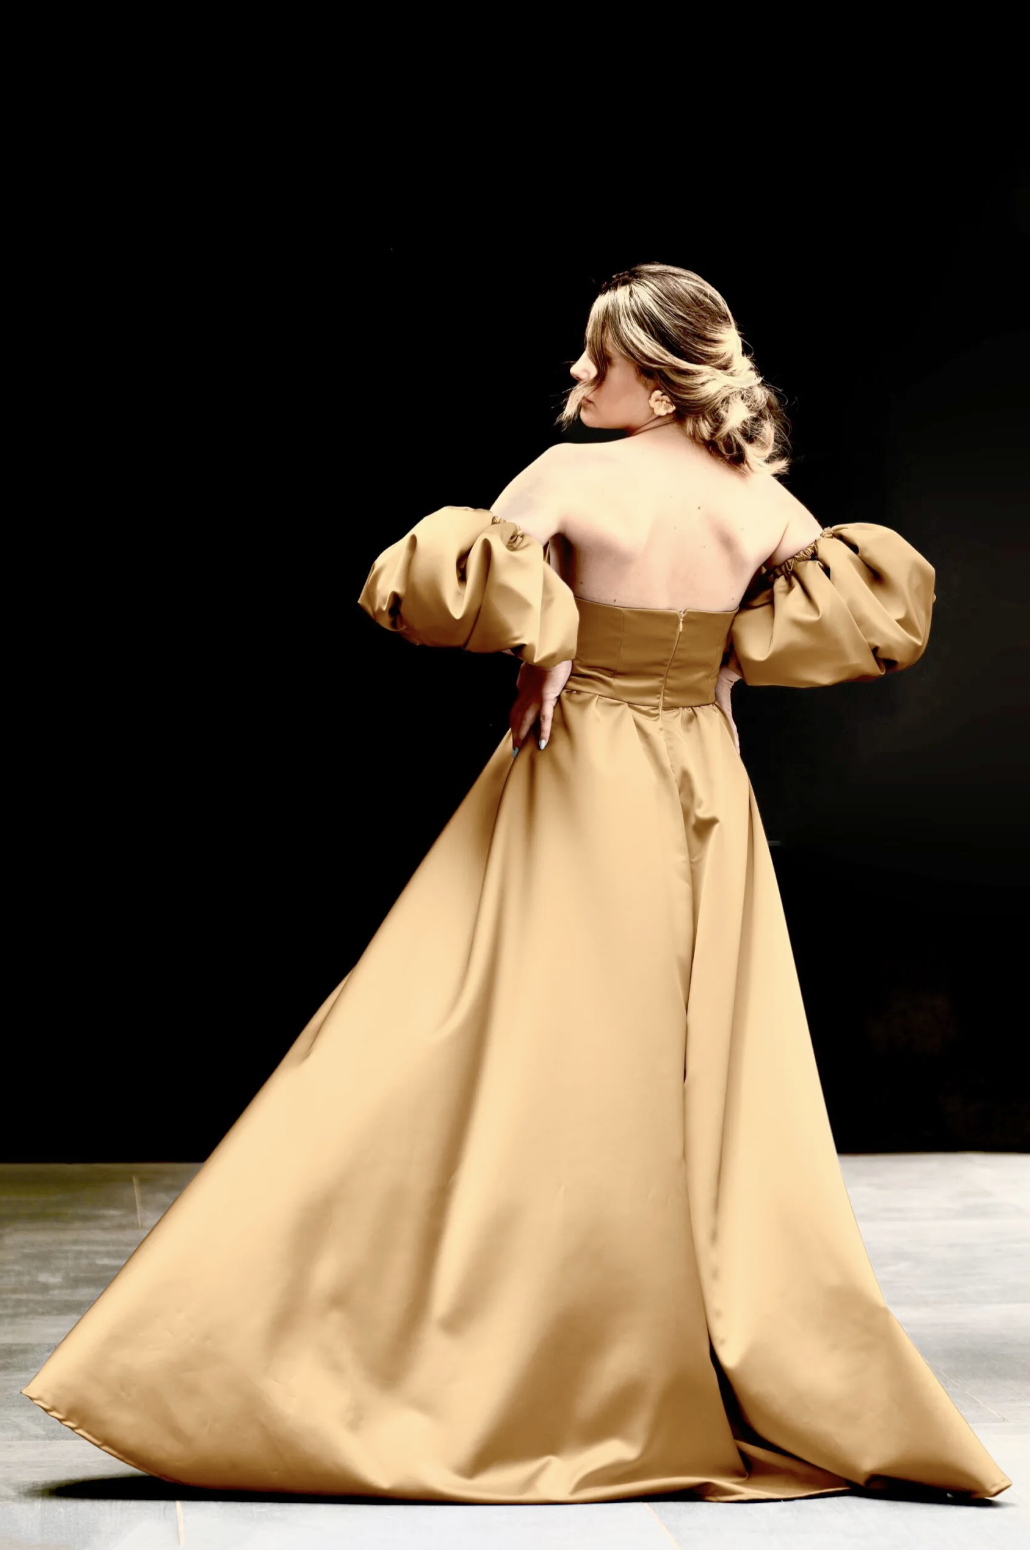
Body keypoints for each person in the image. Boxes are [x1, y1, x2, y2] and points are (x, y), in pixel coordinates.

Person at [22, 263, 1011, 1505]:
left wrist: (550, 644)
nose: (580, 376)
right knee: (681, 1071)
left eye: (603, 360)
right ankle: (650, 1350)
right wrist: (707, 666)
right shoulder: (762, 501)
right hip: (702, 792)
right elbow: (840, 613)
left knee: (476, 1041)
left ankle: (309, 1343)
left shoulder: (567, 477)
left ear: (662, 383)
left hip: (576, 772)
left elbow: (446, 583)